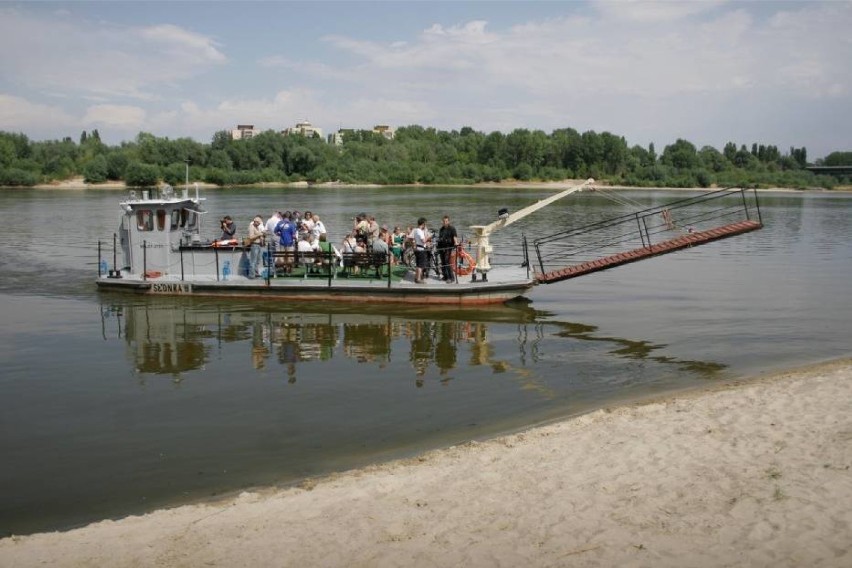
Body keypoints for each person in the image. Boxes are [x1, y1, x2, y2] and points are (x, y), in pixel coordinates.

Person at [437, 215, 459, 282]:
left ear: (448, 221)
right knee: (443, 262)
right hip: (441, 248)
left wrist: (455, 243)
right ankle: (445, 276)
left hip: (448, 248)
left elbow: (455, 237)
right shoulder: (441, 229)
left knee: (447, 262)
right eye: (444, 221)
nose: (445, 222)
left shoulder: (452, 228)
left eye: (446, 221)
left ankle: (451, 278)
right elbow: (440, 238)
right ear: (442, 222)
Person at [412, 217, 431, 283]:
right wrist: (429, 237)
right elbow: (423, 240)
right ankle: (419, 279)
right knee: (420, 265)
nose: (425, 225)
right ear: (423, 224)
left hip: (417, 248)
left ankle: (416, 277)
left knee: (418, 264)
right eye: (425, 224)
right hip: (421, 249)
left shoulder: (415, 230)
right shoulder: (419, 231)